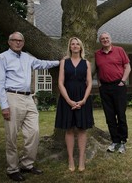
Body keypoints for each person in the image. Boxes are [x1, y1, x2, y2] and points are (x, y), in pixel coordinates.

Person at [0, 31, 60, 182]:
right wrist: (4, 106)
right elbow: (0, 83)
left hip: (28, 97)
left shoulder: (27, 58)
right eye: (15, 40)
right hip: (12, 97)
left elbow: (43, 63)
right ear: (9, 42)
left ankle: (27, 164)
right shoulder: (2, 58)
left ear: (23, 43)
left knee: (34, 132)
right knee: (11, 135)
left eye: (20, 41)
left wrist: (60, 62)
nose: (18, 42)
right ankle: (12, 169)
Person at [55, 37, 94, 172]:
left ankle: (82, 159)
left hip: (83, 98)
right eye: (73, 44)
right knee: (69, 129)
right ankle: (71, 158)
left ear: (81, 47)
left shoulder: (86, 63)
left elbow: (89, 83)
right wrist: (68, 100)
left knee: (82, 129)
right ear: (70, 47)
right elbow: (60, 83)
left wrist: (83, 100)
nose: (75, 46)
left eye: (78, 44)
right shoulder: (63, 62)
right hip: (67, 98)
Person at [95, 32, 131, 154]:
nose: (105, 40)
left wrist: (123, 81)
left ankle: (123, 142)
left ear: (110, 39)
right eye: (103, 39)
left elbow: (128, 67)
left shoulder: (119, 50)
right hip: (105, 88)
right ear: (100, 41)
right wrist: (100, 84)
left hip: (118, 86)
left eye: (107, 38)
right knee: (109, 116)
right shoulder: (97, 54)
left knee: (121, 114)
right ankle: (114, 140)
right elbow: (97, 70)